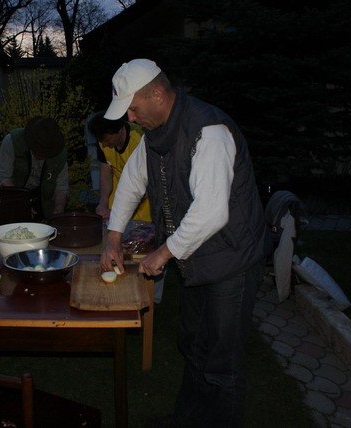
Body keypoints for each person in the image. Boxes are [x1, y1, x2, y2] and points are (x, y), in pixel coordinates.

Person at [99, 59, 271, 427]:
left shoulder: (209, 131)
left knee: (222, 360)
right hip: (196, 255)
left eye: (134, 108)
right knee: (193, 342)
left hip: (233, 257)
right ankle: (188, 419)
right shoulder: (155, 134)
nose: (130, 118)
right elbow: (131, 182)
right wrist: (113, 237)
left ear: (158, 95)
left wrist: (163, 253)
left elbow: (211, 211)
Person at [87, 111, 166, 303]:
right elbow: (106, 173)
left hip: (146, 207)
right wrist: (103, 202)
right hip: (118, 204)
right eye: (100, 140)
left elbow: (147, 185)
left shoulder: (141, 141)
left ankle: (151, 298)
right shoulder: (103, 142)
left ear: (121, 129)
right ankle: (122, 294)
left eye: (107, 139)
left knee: (148, 252)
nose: (104, 144)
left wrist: (123, 212)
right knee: (116, 247)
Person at [0, 116, 69, 220]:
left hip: (39, 198)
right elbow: (3, 177)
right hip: (9, 195)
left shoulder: (60, 155)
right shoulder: (13, 141)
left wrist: (58, 209)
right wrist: (21, 202)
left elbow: (61, 188)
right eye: (39, 149)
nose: (42, 154)